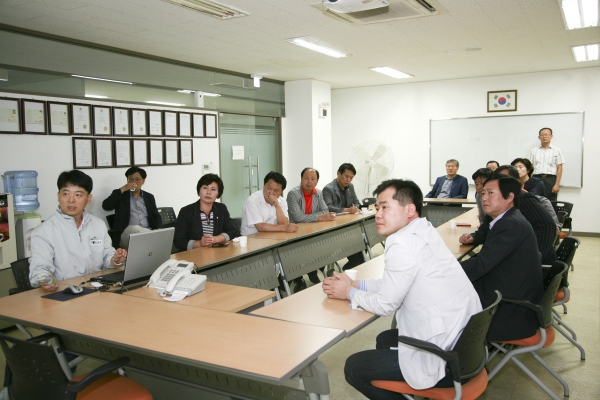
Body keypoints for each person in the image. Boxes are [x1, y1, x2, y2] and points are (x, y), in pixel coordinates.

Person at [323, 179, 481, 398]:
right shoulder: (423, 230)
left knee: (353, 367)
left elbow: (386, 305)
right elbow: (396, 284)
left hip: (445, 360)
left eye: (385, 207)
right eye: (376, 208)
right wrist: (356, 284)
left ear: (410, 209)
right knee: (385, 339)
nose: (377, 214)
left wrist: (348, 293)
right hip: (466, 349)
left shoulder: (401, 242)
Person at [460, 175, 544, 341]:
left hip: (511, 311)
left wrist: (446, 270)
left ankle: (455, 359)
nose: (484, 198)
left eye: (491, 193)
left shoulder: (510, 224)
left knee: (444, 295)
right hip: (511, 294)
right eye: (483, 193)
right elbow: (486, 258)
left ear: (510, 197)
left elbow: (481, 265)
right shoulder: (509, 219)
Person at [29, 170, 127, 291]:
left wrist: (115, 260)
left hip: (96, 289)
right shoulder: (43, 232)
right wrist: (45, 279)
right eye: (65, 194)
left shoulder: (97, 225)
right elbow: (40, 267)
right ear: (58, 196)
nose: (71, 200)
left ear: (88, 198)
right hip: (66, 292)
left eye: (78, 195)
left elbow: (107, 256)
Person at [460, 165, 557, 266]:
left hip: (536, 263)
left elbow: (548, 225)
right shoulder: (497, 204)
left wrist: (536, 257)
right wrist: (473, 237)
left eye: (504, 179)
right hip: (510, 256)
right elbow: (487, 228)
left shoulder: (523, 198)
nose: (500, 182)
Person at [286, 168, 336, 289]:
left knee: (325, 244)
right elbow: (298, 217)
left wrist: (312, 217)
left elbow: (325, 210)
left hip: (312, 229)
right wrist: (319, 218)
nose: (309, 181)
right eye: (306, 178)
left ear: (317, 181)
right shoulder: (293, 194)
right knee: (299, 251)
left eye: (313, 179)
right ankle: (298, 279)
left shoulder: (318, 193)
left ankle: (313, 270)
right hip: (295, 232)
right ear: (301, 179)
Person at [173, 174, 239, 251]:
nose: (208, 192)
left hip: (217, 253)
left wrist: (217, 238)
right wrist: (199, 243)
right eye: (205, 188)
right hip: (195, 255)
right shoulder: (186, 212)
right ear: (199, 190)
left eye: (213, 189)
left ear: (218, 193)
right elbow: (178, 241)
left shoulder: (221, 208)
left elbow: (232, 231)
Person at [102, 166, 162, 247]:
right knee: (133, 228)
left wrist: (158, 229)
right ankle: (156, 238)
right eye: (130, 179)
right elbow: (106, 206)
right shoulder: (121, 195)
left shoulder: (149, 197)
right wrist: (123, 189)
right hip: (127, 235)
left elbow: (156, 215)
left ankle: (153, 237)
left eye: (137, 179)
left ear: (143, 181)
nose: (133, 182)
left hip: (147, 231)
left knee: (147, 241)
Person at [323, 163, 365, 271]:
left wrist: (356, 207)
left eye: (351, 178)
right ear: (338, 173)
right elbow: (327, 208)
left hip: (348, 225)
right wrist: (346, 210)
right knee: (358, 251)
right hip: (334, 227)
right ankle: (349, 269)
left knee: (362, 248)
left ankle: (352, 269)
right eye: (346, 176)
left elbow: (356, 202)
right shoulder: (328, 189)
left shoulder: (350, 187)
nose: (349, 180)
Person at [240, 171, 298, 235]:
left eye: (276, 191)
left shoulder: (282, 201)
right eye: (269, 188)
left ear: (281, 192)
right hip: (251, 239)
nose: (271, 193)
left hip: (272, 237)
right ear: (264, 186)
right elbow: (260, 227)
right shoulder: (252, 200)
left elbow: (284, 224)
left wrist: (277, 206)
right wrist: (284, 228)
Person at [529, 127, 565, 201]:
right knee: (535, 201)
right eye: (542, 135)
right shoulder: (533, 150)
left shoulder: (557, 150)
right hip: (536, 178)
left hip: (550, 179)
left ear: (551, 136)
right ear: (539, 137)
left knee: (551, 202)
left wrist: (557, 184)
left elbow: (559, 168)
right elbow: (529, 167)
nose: (544, 136)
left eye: (547, 134)